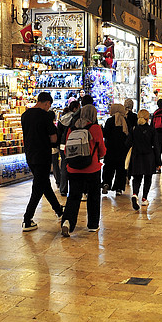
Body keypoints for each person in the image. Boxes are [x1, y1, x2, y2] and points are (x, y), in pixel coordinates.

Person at [21, 91, 63, 232]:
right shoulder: (45, 116)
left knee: (44, 184)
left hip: (30, 155)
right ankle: (27, 219)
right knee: (38, 188)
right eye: (48, 106)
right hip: (43, 155)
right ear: (46, 103)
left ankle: (59, 211)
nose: (48, 108)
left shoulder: (25, 115)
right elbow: (53, 138)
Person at [61, 104, 105, 236]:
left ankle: (67, 222)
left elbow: (66, 149)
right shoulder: (95, 128)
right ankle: (92, 224)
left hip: (73, 169)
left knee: (73, 196)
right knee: (93, 196)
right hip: (92, 169)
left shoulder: (71, 128)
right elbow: (102, 150)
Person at [126, 108, 160, 209]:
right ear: (148, 118)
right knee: (148, 178)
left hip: (136, 156)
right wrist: (158, 161)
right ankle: (144, 198)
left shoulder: (134, 129)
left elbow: (127, 143)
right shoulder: (151, 130)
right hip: (149, 157)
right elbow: (156, 146)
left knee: (137, 177)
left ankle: (135, 194)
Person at [102, 103, 128, 195]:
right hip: (122, 150)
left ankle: (106, 183)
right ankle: (118, 188)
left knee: (108, 167)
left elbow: (105, 134)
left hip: (110, 149)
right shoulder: (125, 121)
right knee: (121, 169)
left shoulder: (110, 121)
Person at [57, 100, 80, 196]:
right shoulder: (76, 118)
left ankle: (63, 189)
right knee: (75, 166)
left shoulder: (62, 118)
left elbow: (58, 133)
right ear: (75, 108)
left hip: (63, 145)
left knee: (64, 166)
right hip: (74, 145)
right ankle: (76, 189)